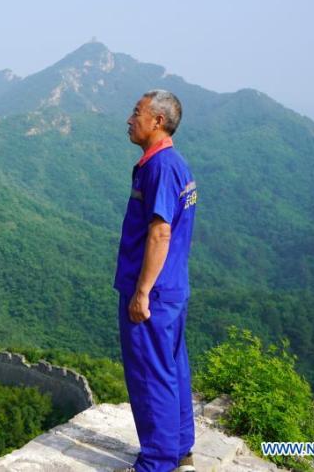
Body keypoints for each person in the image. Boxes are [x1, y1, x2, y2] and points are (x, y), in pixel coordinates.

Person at [115, 90, 198, 472]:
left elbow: (160, 233)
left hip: (154, 292)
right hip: (172, 289)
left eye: (137, 113)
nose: (130, 119)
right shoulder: (172, 164)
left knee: (149, 374)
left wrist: (142, 292)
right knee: (171, 367)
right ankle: (179, 446)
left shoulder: (161, 167)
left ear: (157, 122)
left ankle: (157, 461)